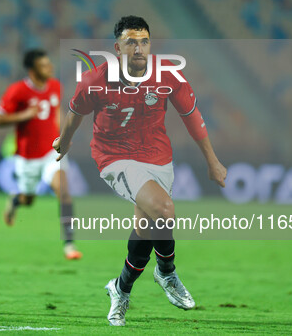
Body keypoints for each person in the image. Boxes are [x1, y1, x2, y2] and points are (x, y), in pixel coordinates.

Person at [53, 16, 227, 326]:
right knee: (164, 209)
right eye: (131, 42)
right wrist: (64, 142)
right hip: (114, 157)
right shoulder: (95, 80)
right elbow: (74, 114)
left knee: (148, 228)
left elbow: (191, 116)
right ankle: (167, 272)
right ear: (117, 47)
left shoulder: (168, 75)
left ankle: (120, 289)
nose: (138, 48)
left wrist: (212, 161)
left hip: (158, 158)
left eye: (144, 41)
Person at [0, 49, 82, 260]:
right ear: (32, 70)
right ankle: (15, 200)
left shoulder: (55, 87)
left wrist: (65, 134)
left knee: (64, 192)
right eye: (44, 65)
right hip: (26, 158)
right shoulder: (17, 91)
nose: (50, 68)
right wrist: (24, 114)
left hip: (51, 152)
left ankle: (69, 244)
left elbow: (56, 112)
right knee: (28, 199)